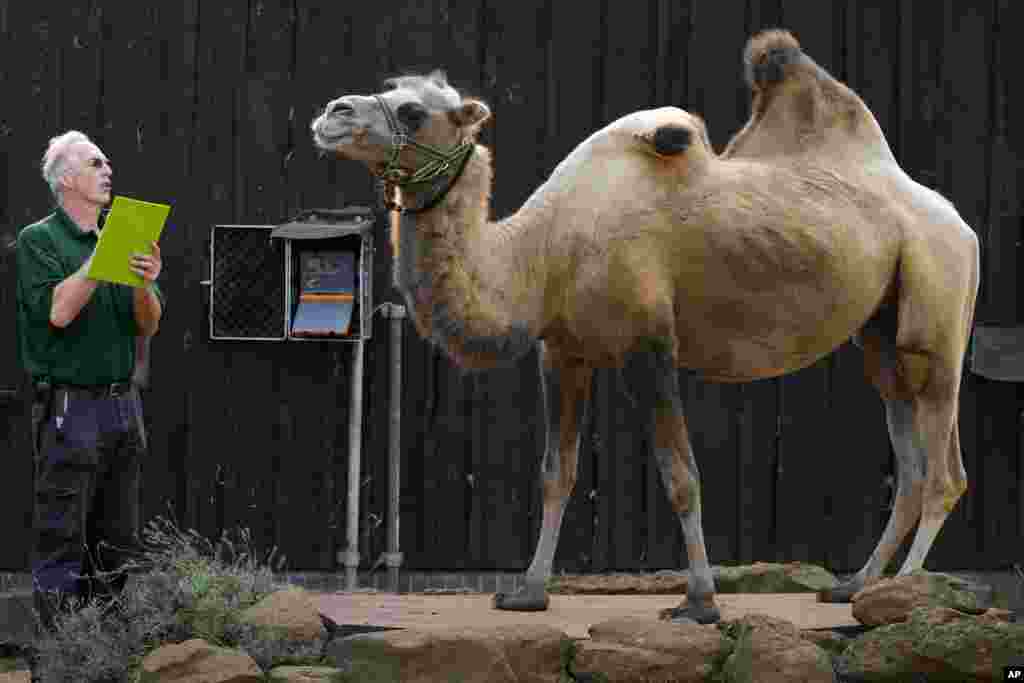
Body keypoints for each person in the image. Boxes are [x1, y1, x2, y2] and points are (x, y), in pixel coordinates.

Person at [14, 130, 166, 660]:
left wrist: (146, 281)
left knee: (117, 544)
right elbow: (57, 313)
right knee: (61, 543)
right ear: (67, 179)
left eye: (108, 162)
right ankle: (56, 663)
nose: (108, 171)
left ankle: (109, 659)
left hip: (124, 407)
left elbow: (147, 327)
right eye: (96, 163)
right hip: (70, 409)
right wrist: (101, 257)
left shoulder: (124, 238)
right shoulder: (40, 241)